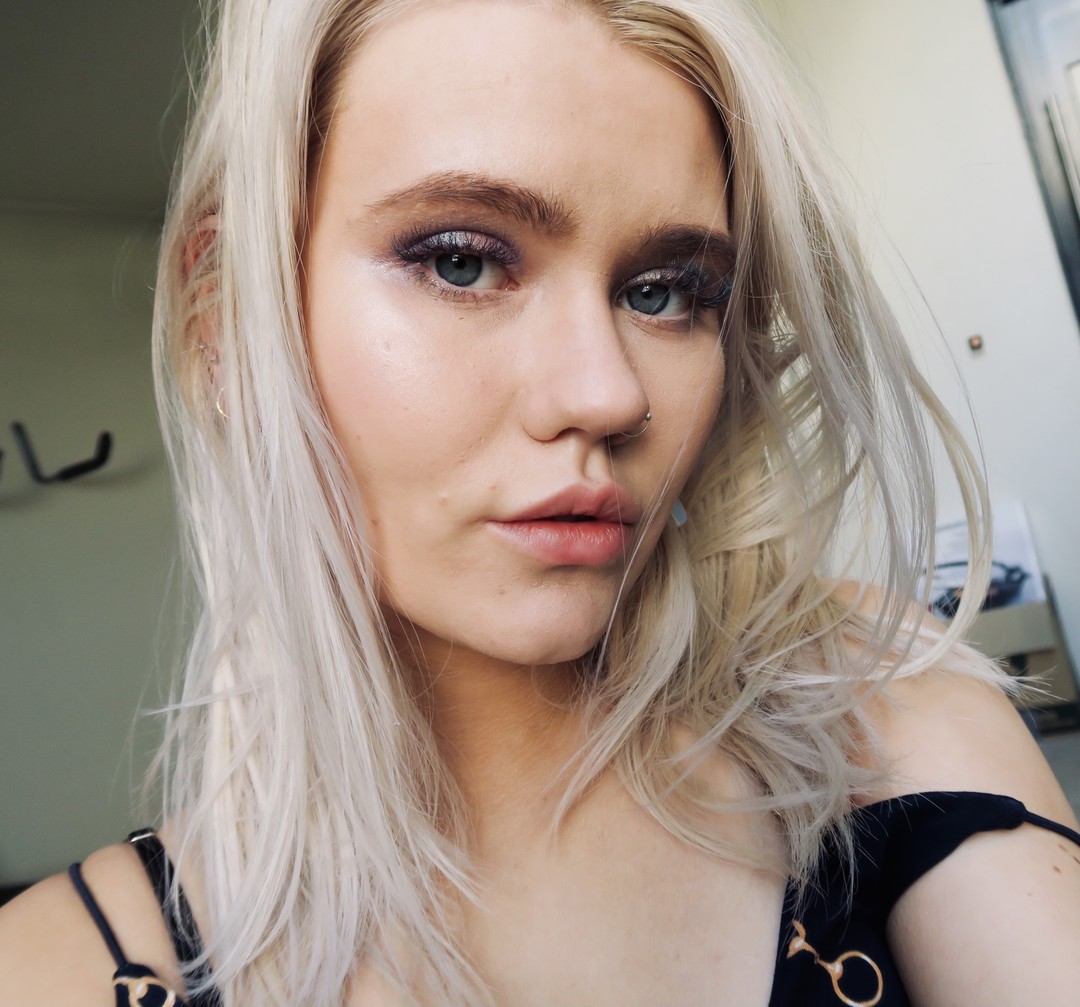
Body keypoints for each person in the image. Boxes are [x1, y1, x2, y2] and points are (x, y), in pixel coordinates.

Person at [2, 0, 1078, 1004]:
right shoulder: (62, 963)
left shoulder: (876, 698)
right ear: (226, 327)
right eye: (461, 263)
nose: (606, 392)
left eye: (665, 291)